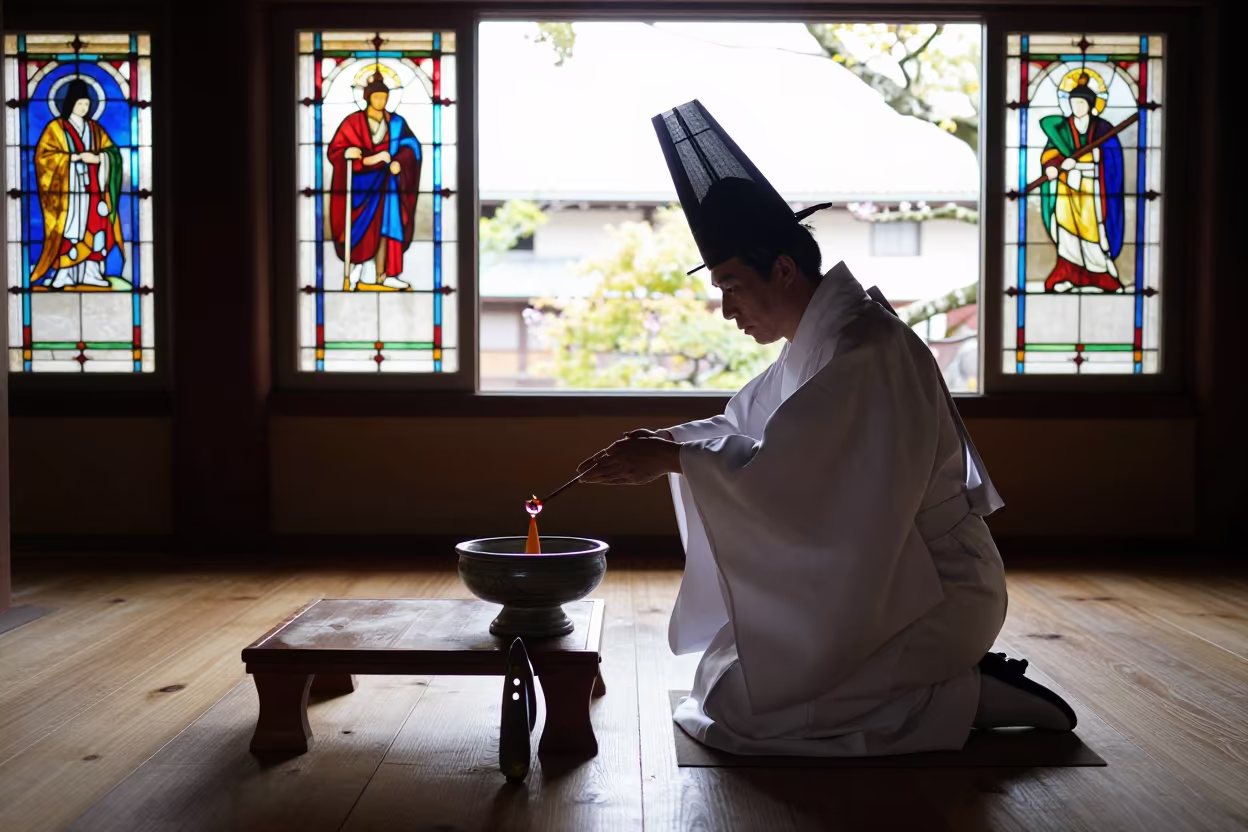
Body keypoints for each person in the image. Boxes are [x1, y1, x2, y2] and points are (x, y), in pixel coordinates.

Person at [578, 100, 1077, 756]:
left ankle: (970, 695)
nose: (727, 311)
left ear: (783, 269)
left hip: (934, 588)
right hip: (885, 574)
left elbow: (788, 476)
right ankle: (941, 686)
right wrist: (668, 445)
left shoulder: (866, 351)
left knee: (746, 711)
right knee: (724, 675)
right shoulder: (821, 343)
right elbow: (744, 428)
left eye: (732, 286)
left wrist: (675, 461)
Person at [327, 71, 422, 291]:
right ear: (368, 97)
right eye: (377, 97)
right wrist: (348, 153)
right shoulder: (352, 122)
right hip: (361, 188)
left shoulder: (396, 123)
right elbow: (336, 150)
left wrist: (399, 161)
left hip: (388, 185)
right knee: (363, 230)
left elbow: (412, 147)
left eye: (384, 97)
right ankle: (361, 272)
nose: (382, 101)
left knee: (389, 227)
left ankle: (386, 274)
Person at [31, 78, 124, 291]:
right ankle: (64, 274)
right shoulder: (55, 129)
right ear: (70, 104)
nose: (84, 108)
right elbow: (43, 158)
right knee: (69, 229)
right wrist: (72, 158)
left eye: (87, 104)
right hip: (68, 192)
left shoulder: (95, 129)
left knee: (96, 227)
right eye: (80, 104)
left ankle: (92, 273)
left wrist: (99, 159)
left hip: (93, 190)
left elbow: (113, 154)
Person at [1039, 70, 1125, 293]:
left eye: (1081, 103)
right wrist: (1053, 166)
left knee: (1092, 232)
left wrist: (1086, 159)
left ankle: (1099, 275)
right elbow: (1050, 153)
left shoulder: (1103, 129)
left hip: (1091, 186)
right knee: (1066, 233)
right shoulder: (1062, 128)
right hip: (1066, 189)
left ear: (1090, 104)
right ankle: (1068, 275)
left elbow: (1112, 158)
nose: (1076, 107)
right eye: (1073, 102)